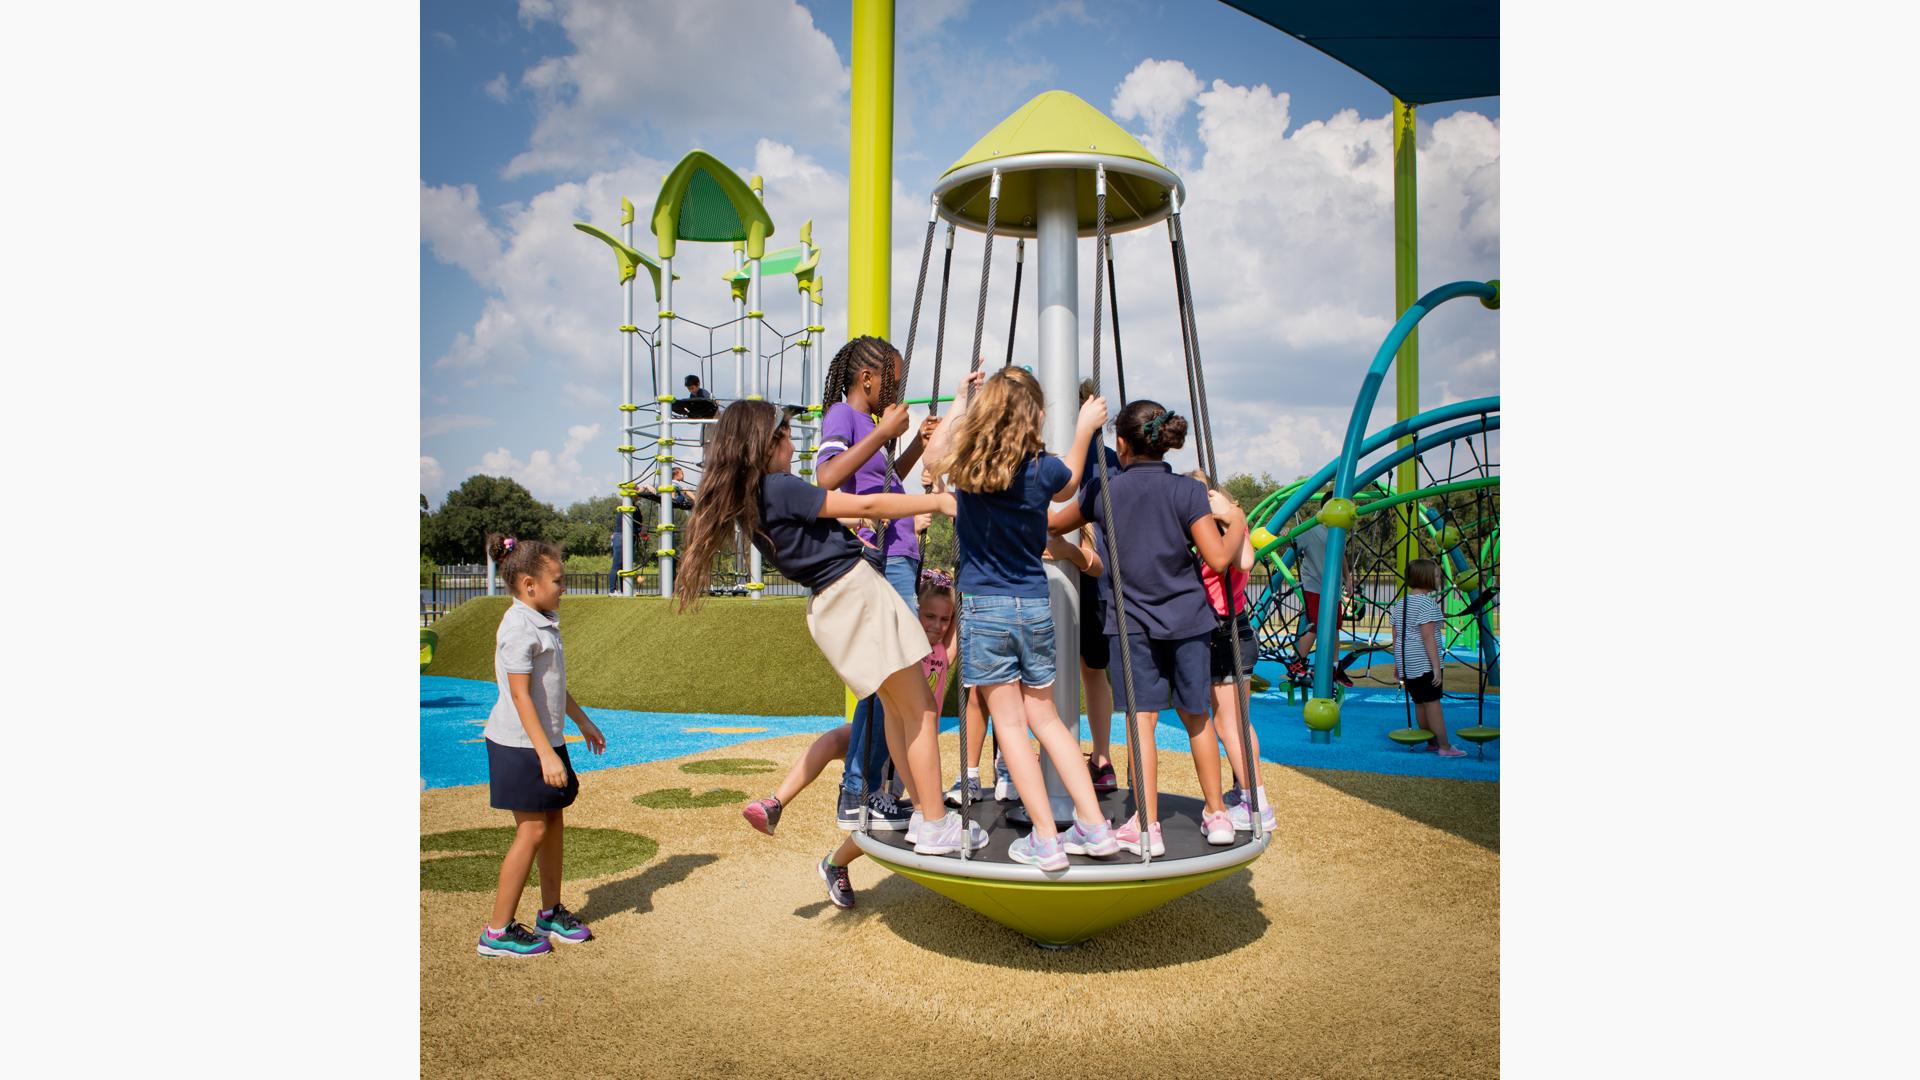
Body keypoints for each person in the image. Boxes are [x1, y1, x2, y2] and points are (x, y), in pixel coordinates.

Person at [677, 400, 982, 876]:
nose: (792, 444)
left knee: (899, 714)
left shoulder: (751, 499)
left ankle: (926, 817)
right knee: (920, 709)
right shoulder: (779, 486)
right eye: (786, 435)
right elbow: (866, 502)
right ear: (767, 442)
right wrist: (938, 502)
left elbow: (828, 526)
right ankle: (935, 821)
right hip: (855, 595)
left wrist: (842, 530)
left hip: (831, 606)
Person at [926, 367, 1119, 871]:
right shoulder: (1041, 469)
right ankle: (1095, 828)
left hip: (986, 609)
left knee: (1009, 725)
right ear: (1035, 416)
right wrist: (1082, 428)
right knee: (1046, 718)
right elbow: (1071, 483)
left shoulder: (967, 466)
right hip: (1032, 603)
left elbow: (931, 459)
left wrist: (960, 400)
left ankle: (1046, 839)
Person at [1049, 400, 1248, 857]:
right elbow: (1218, 559)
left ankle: (1147, 826)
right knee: (1197, 717)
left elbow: (1055, 522)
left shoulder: (1106, 491)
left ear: (1120, 443)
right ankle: (1217, 814)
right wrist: (1235, 521)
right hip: (1188, 619)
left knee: (1142, 723)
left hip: (1131, 623)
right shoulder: (1187, 492)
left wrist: (1052, 542)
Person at [739, 576, 960, 908]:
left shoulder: (944, 653)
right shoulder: (904, 649)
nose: (938, 625)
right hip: (882, 736)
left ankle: (834, 863)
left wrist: (960, 588)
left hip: (906, 752)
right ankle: (776, 801)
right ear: (916, 614)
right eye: (930, 617)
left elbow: (955, 625)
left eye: (944, 619)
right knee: (836, 741)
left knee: (881, 823)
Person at [815, 337, 940, 831]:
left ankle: (878, 787)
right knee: (884, 677)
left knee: (895, 681)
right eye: (892, 378)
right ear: (867, 378)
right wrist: (883, 432)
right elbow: (826, 477)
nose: (897, 388)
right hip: (878, 555)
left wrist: (912, 448)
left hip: (900, 554)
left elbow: (885, 483)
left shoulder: (870, 428)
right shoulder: (842, 417)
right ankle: (857, 788)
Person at [476, 534, 608, 957]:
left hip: (544, 741)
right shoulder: (518, 627)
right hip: (520, 746)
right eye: (558, 579)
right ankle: (496, 932)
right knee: (532, 829)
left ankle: (549, 911)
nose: (564, 586)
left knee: (553, 822)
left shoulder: (543, 620)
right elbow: (520, 696)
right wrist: (546, 754)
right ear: (530, 584)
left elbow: (551, 686)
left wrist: (581, 722)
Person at [1187, 471, 1273, 839]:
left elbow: (1243, 564)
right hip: (1240, 629)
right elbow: (1247, 560)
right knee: (1241, 722)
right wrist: (1237, 516)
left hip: (1222, 634)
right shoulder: (1233, 532)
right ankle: (1246, 792)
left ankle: (1258, 802)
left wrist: (1232, 516)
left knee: (1227, 725)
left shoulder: (1211, 541)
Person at [1077, 378, 1124, 793]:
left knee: (1092, 669)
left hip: (1092, 576)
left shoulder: (1105, 462)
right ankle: (1092, 756)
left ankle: (1101, 756)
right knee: (1087, 672)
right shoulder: (1105, 460)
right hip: (1078, 575)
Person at [1392, 558, 1465, 757]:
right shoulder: (1428, 605)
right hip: (1423, 662)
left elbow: (1396, 634)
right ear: (1425, 578)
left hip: (1407, 660)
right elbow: (1428, 638)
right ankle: (1444, 746)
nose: (1439, 579)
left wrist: (1398, 663)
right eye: (1436, 576)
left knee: (1420, 702)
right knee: (1432, 703)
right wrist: (1436, 667)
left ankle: (1431, 741)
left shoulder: (1401, 603)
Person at [1289, 501, 1354, 687]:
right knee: (1316, 626)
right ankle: (1297, 664)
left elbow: (1341, 555)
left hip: (1332, 588)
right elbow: (1292, 542)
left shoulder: (1338, 529)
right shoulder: (1311, 529)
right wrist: (1287, 534)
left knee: (1334, 627)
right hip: (1315, 586)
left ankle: (1334, 666)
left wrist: (1347, 578)